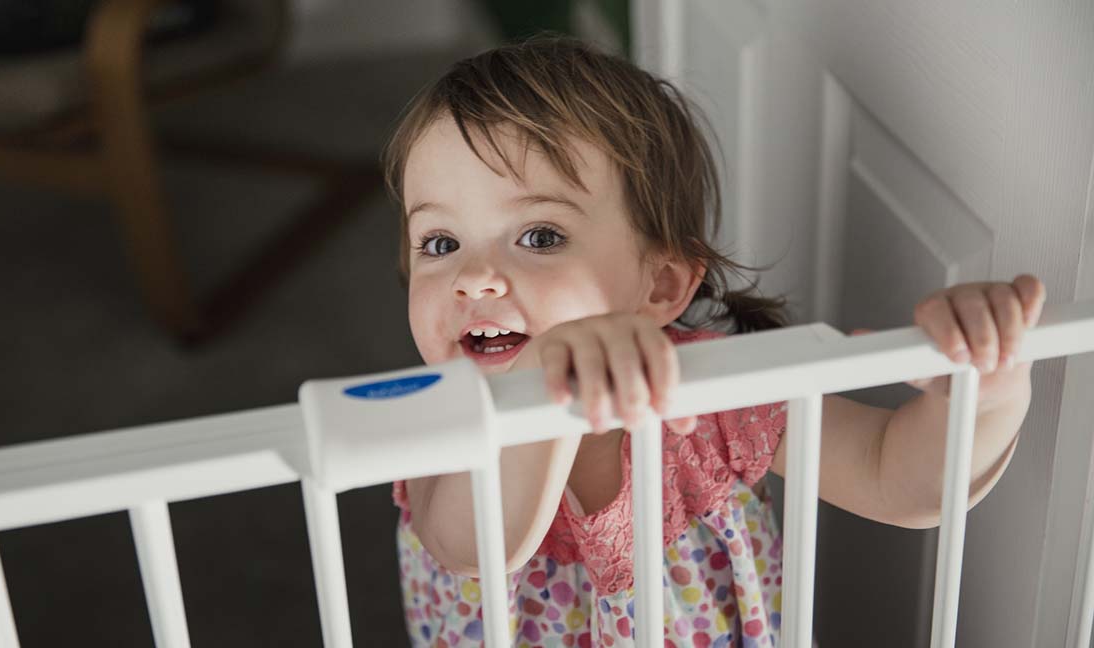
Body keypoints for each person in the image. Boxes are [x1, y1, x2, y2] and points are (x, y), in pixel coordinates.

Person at [380, 35, 1045, 648]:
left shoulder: (712, 390)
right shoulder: (438, 410)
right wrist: (543, 383)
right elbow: (470, 546)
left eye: (540, 236)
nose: (473, 279)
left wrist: (984, 390)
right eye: (440, 243)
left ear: (662, 285)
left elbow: (894, 475)